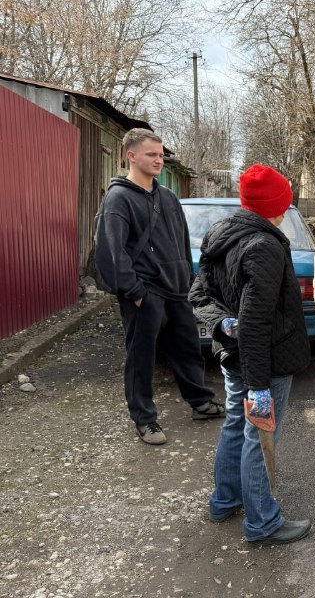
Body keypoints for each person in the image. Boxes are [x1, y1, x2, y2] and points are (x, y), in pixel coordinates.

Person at [189, 164, 312, 546]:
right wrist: (259, 385)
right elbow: (255, 322)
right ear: (275, 205)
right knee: (260, 434)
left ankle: (225, 500)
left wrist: (223, 325)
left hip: (233, 355)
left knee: (234, 426)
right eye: (284, 200)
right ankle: (262, 521)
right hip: (265, 361)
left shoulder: (218, 234)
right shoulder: (265, 246)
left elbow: (199, 297)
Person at [95, 128, 222, 445]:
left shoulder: (167, 197)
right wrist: (135, 292)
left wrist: (188, 282)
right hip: (144, 294)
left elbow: (180, 244)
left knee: (188, 351)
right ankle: (145, 419)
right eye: (151, 154)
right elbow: (112, 252)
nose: (158, 160)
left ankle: (201, 403)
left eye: (161, 154)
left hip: (176, 291)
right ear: (132, 156)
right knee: (141, 358)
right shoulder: (118, 199)